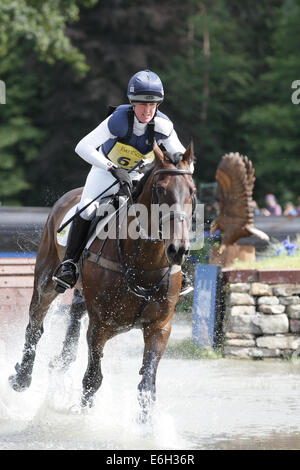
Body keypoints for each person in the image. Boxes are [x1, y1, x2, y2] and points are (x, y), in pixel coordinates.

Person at [53, 69, 194, 295]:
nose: (147, 111)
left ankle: (177, 268)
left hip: (139, 176)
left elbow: (187, 164)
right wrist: (112, 168)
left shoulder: (163, 126)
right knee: (88, 209)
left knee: (163, 209)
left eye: (153, 105)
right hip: (106, 171)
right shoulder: (118, 120)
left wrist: (179, 169)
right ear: (132, 102)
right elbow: (82, 146)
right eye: (141, 105)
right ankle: (69, 265)